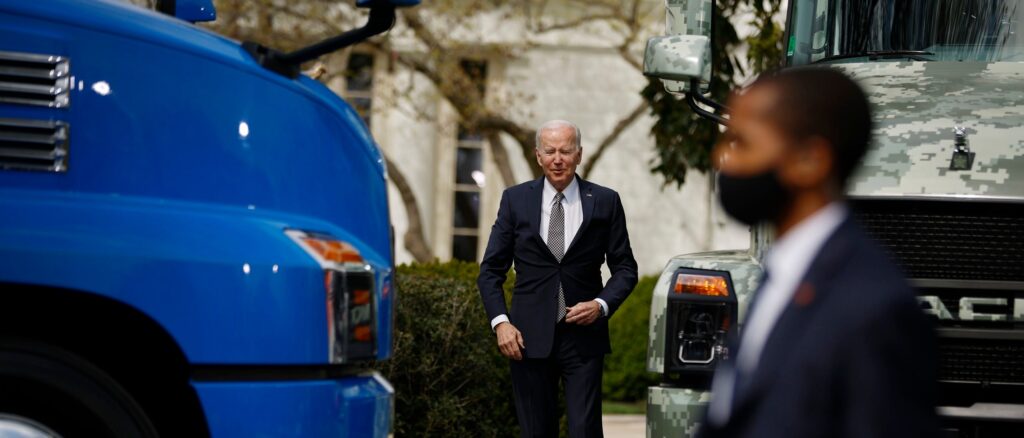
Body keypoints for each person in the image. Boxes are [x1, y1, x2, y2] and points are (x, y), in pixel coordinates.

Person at [698, 68, 938, 438]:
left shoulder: (872, 304)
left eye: (741, 143)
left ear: (810, 159)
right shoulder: (786, 273)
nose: (722, 159)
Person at [478, 120, 638, 438]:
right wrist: (501, 323)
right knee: (536, 431)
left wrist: (601, 304)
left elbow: (625, 269)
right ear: (538, 156)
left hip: (583, 338)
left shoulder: (605, 201)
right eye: (550, 151)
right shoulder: (515, 200)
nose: (557, 158)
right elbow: (490, 271)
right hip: (525, 338)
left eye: (565, 150)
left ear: (579, 154)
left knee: (584, 430)